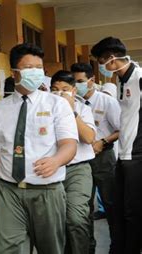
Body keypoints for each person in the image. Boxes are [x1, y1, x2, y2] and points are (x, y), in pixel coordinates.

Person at [0, 43, 78, 253]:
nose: (35, 72)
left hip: (47, 191)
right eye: (29, 67)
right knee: (7, 249)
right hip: (8, 191)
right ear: (14, 72)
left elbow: (69, 144)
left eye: (39, 67)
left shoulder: (56, 104)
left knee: (51, 248)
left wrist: (56, 160)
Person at [91, 36, 142, 254]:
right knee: (121, 209)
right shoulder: (120, 80)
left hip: (137, 155)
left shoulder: (139, 78)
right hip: (124, 153)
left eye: (101, 61)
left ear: (112, 58)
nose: (101, 66)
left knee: (133, 210)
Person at [70, 62, 121, 253]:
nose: (77, 85)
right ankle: (87, 247)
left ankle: (117, 245)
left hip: (103, 158)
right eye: (74, 81)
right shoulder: (71, 102)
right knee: (82, 209)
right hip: (80, 160)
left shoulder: (107, 102)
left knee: (110, 204)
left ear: (92, 80)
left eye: (81, 81)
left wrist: (103, 142)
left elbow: (121, 129)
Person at [50, 70, 96, 254]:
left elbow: (89, 137)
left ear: (74, 91)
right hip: (52, 170)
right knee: (55, 222)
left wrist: (72, 111)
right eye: (55, 89)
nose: (60, 93)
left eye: (65, 89)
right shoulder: (43, 108)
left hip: (78, 170)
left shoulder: (82, 108)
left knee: (75, 218)